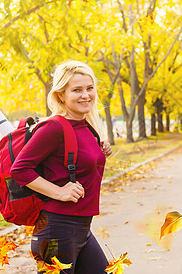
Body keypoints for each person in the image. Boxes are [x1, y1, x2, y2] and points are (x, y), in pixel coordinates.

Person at [10, 60, 112, 274]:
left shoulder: (85, 126)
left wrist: (100, 154)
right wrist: (60, 192)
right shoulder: (53, 127)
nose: (86, 95)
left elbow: (72, 164)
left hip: (81, 228)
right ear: (60, 96)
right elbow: (19, 169)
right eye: (77, 90)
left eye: (89, 88)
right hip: (56, 231)